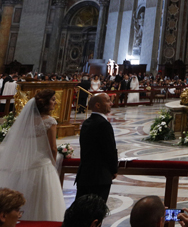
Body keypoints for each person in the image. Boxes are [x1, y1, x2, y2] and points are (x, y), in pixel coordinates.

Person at [0, 90, 65, 220]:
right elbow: (52, 147)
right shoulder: (50, 121)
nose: (55, 102)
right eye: (52, 99)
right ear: (45, 103)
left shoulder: (25, 122)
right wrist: (53, 163)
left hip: (25, 164)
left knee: (26, 197)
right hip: (42, 164)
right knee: (45, 199)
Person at [76, 93, 118, 201]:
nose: (111, 104)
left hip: (84, 176)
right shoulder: (104, 124)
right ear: (98, 105)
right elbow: (110, 150)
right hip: (100, 178)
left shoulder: (86, 123)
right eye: (108, 101)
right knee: (96, 213)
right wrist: (114, 170)